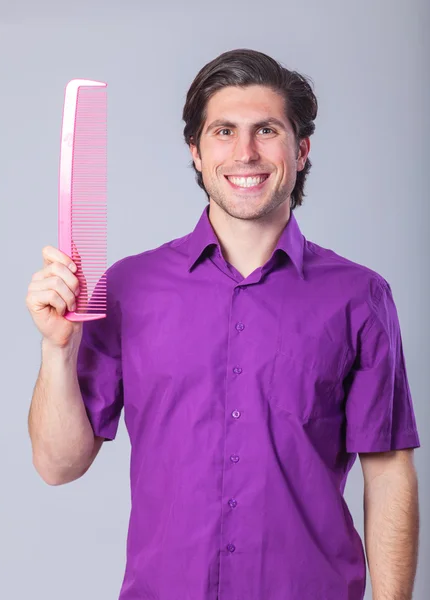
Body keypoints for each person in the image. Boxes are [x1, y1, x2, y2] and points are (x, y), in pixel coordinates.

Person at [26, 49, 421, 600]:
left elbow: (388, 471)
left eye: (266, 130)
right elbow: (57, 465)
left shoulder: (360, 297)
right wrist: (57, 351)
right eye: (223, 131)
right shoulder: (126, 288)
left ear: (301, 149)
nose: (245, 153)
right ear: (195, 151)